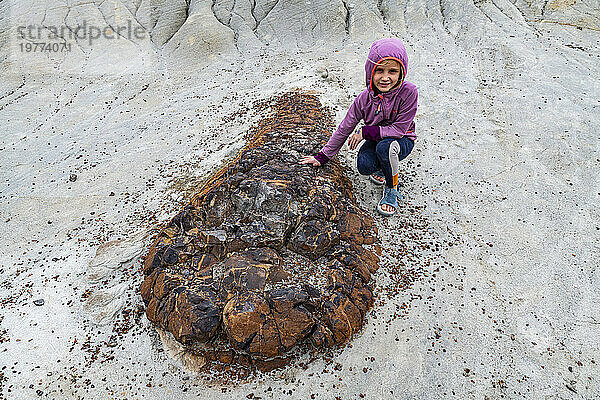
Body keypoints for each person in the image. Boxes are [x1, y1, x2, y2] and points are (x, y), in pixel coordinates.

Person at [299, 38, 418, 217]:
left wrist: (365, 132)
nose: (385, 78)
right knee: (364, 165)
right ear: (370, 71)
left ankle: (392, 188)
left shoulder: (409, 92)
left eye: (392, 71)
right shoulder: (363, 100)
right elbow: (344, 128)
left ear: (401, 72)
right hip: (377, 139)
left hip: (402, 140)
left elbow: (399, 130)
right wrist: (323, 156)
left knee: (386, 148)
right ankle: (383, 169)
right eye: (379, 70)